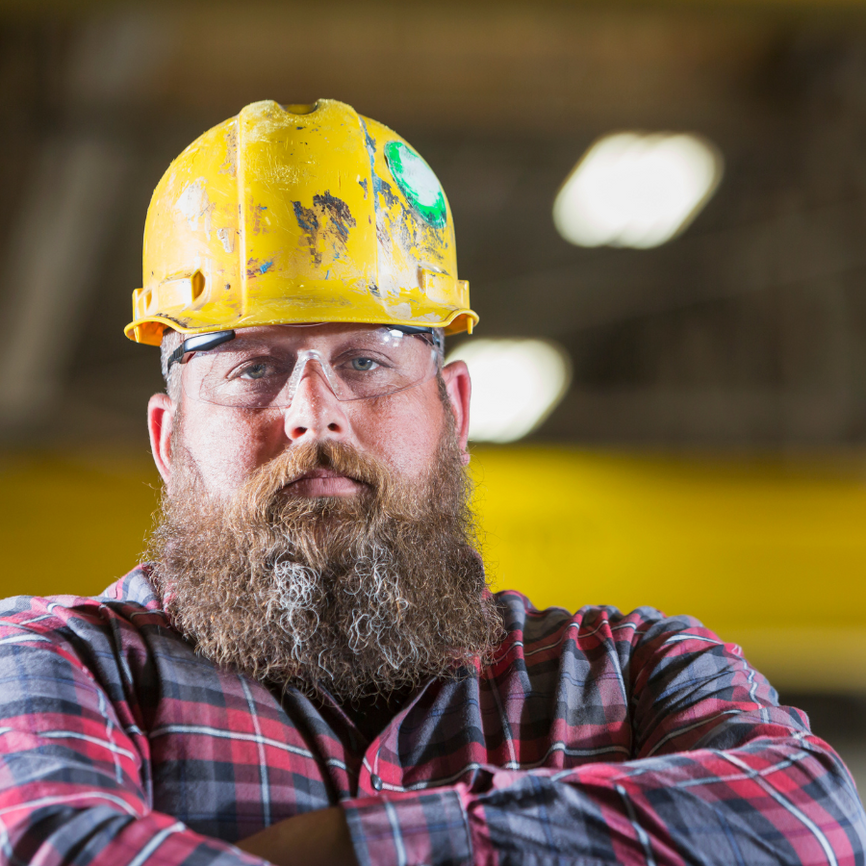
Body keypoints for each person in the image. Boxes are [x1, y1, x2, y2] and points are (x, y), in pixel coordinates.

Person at [0, 99, 862, 866]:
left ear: (453, 412)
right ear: (167, 435)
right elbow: (54, 842)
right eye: (252, 368)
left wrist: (356, 845)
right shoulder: (52, 665)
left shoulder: (634, 675)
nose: (312, 415)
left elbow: (807, 823)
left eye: (367, 361)